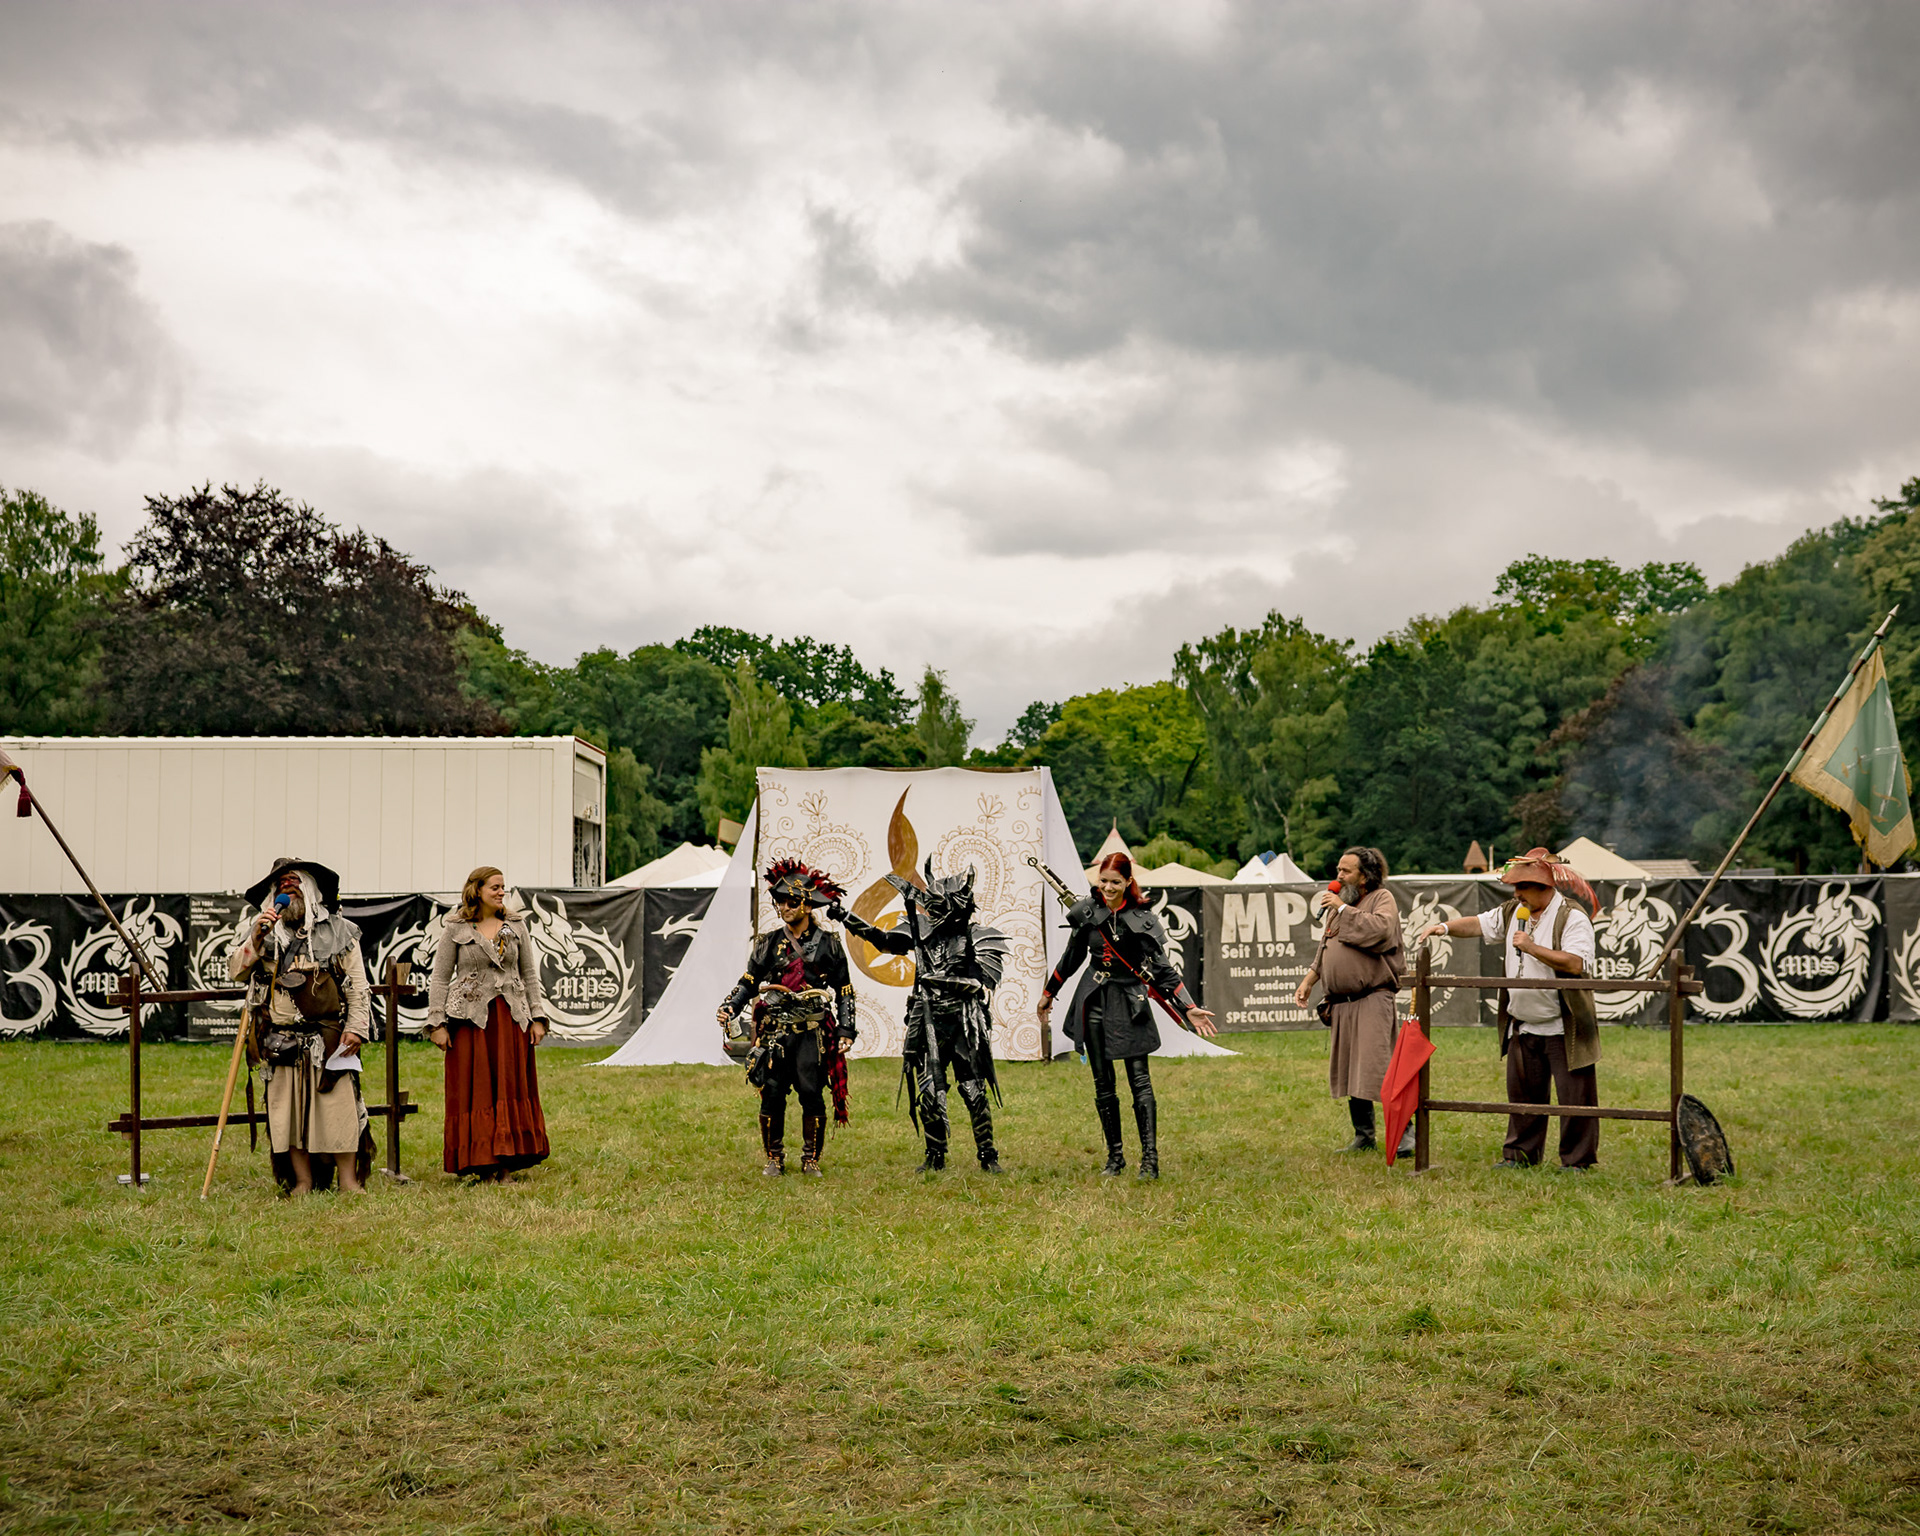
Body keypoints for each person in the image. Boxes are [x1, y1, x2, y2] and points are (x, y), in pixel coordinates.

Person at [1036, 851, 1216, 1179]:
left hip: (1131, 1000)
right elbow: (1071, 957)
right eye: (1102, 880)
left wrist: (1189, 1007)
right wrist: (1049, 993)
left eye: (1114, 882)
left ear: (1128, 882)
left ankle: (1149, 1159)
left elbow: (1163, 970)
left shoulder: (1141, 918)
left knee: (1140, 1082)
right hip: (1093, 999)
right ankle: (1114, 1157)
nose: (1107, 886)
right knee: (1102, 1082)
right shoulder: (1087, 913)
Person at [1420, 847, 1599, 1169]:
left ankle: (1577, 1162)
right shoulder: (1512, 911)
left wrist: (1531, 947)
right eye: (1515, 888)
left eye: (1523, 887)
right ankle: (1520, 1155)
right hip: (1523, 1023)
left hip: (1564, 1024)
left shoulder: (1572, 917)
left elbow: (1575, 963)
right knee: (1523, 1097)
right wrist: (1443, 928)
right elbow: (1477, 924)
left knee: (1576, 1100)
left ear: (1544, 887)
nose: (1516, 894)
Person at [830, 858, 1010, 1174]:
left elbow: (980, 982)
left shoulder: (976, 936)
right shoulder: (920, 928)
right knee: (929, 1092)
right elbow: (884, 942)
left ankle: (988, 1155)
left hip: (964, 1023)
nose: (934, 914)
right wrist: (847, 917)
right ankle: (935, 1155)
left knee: (974, 1091)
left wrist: (937, 980)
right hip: (928, 1020)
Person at [229, 855, 374, 1194]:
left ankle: (349, 1182)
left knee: (339, 1111)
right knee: (286, 1115)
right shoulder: (264, 932)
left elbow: (358, 986)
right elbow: (237, 970)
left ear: (309, 890)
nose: (287, 890)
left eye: (293, 884)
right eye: (281, 886)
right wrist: (256, 937)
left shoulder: (340, 932)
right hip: (281, 1040)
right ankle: (303, 1183)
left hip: (329, 1038)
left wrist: (355, 1028)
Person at [716, 859, 858, 1176]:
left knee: (812, 1094)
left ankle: (810, 1160)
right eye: (779, 901)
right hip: (775, 1033)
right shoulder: (767, 944)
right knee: (772, 1094)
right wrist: (730, 1006)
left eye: (791, 901)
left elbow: (845, 989)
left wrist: (847, 1029)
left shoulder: (830, 945)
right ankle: (774, 1158)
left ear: (808, 905)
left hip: (813, 1032)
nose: (784, 907)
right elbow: (748, 982)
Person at [424, 867, 551, 1181]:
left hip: (510, 1021)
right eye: (495, 887)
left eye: (503, 887)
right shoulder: (455, 927)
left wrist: (537, 1018)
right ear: (476, 890)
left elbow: (529, 975)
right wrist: (437, 1022)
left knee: (507, 1086)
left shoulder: (516, 925)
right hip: (470, 1022)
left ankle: (506, 1163)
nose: (500, 892)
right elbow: (440, 979)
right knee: (476, 1089)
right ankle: (482, 1163)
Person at [1294, 847, 1405, 1156]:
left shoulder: (1382, 898)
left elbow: (1382, 932)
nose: (1338, 876)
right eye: (1338, 870)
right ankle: (1364, 1135)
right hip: (1342, 1001)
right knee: (1352, 1069)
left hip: (1372, 996)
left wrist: (1343, 908)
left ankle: (1405, 1133)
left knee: (1377, 1066)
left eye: (1345, 871)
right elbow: (1326, 943)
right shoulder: (1341, 903)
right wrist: (1310, 979)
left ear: (1365, 875)